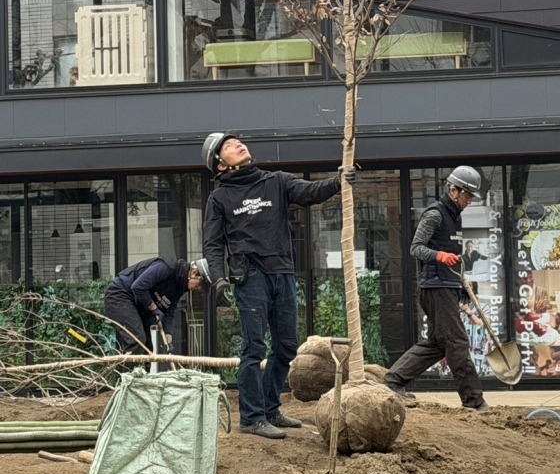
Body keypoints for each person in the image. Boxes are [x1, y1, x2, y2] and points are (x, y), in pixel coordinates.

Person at [202, 131, 355, 440]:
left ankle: (271, 409)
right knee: (254, 347)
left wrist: (339, 181)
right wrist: (218, 278)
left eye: (238, 141)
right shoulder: (219, 198)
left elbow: (311, 192)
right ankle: (252, 416)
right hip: (250, 278)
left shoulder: (277, 181)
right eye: (229, 146)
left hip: (282, 273)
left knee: (286, 345)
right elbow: (213, 244)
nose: (239, 144)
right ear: (220, 165)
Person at [383, 165, 489, 412]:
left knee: (438, 344)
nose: (470, 202)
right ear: (454, 190)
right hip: (434, 287)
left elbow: (455, 256)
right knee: (458, 341)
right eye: (468, 196)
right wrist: (440, 256)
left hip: (448, 286)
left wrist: (461, 286)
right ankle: (474, 401)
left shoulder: (455, 217)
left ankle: (394, 380)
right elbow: (415, 248)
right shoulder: (435, 215)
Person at [104, 256, 207, 354]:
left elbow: (169, 312)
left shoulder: (180, 287)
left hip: (138, 305)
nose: (197, 290)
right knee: (136, 340)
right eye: (199, 285)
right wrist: (153, 307)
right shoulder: (166, 268)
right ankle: (127, 372)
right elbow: (138, 287)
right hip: (120, 294)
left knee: (147, 349)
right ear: (194, 272)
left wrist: (168, 333)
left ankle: (141, 371)